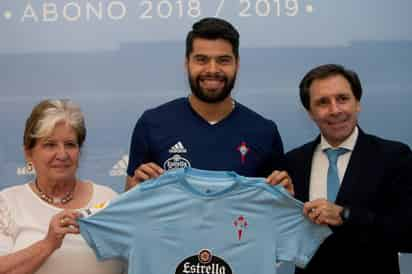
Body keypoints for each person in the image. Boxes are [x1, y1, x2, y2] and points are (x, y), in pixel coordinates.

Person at [125, 17, 292, 193]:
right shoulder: (152, 124)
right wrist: (132, 191)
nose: (212, 70)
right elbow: (130, 203)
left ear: (237, 64)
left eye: (223, 60)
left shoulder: (264, 131)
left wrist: (285, 196)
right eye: (201, 59)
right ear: (186, 63)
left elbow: (276, 206)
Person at [286, 64, 412, 274]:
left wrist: (346, 215)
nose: (335, 110)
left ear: (357, 104)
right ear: (310, 112)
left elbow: (408, 233)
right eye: (323, 102)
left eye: (342, 99)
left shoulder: (394, 157)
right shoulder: (293, 162)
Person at [0, 99, 124, 274]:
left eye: (70, 145)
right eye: (50, 145)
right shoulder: (8, 203)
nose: (62, 154)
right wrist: (48, 244)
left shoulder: (108, 200)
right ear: (29, 153)